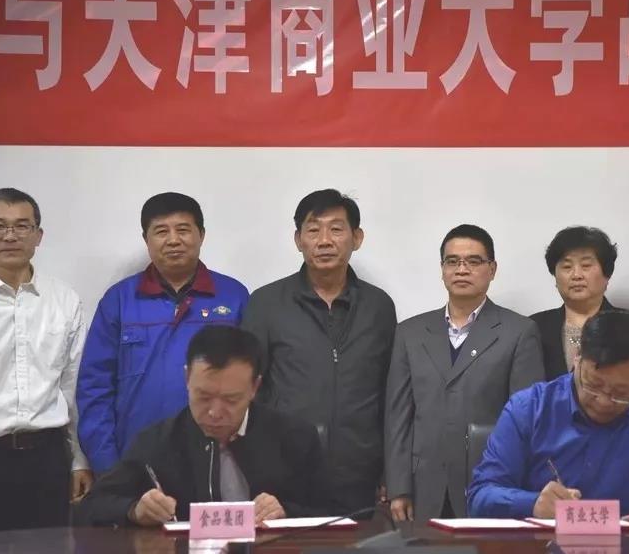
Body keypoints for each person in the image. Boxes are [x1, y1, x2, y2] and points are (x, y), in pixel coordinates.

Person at [467, 310, 629, 529]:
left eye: (621, 393)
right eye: (592, 385)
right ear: (578, 357)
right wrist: (532, 503)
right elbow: (480, 495)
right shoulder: (529, 408)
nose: (603, 401)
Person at [241, 189, 396, 515]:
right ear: (298, 240)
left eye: (336, 229)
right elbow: (249, 389)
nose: (324, 241)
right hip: (284, 472)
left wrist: (389, 469)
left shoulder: (379, 306)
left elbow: (389, 393)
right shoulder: (266, 303)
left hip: (360, 474)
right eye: (313, 230)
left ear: (357, 238)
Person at [76, 325, 324, 526]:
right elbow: (93, 505)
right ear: (187, 378)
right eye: (203, 396)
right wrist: (134, 510)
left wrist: (286, 511)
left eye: (231, 400)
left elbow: (332, 509)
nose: (214, 413)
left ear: (255, 388)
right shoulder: (157, 441)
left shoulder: (294, 436)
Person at [77, 192, 249, 474]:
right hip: (135, 460)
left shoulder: (234, 297)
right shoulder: (119, 300)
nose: (173, 240)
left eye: (183, 230)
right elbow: (95, 388)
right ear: (146, 239)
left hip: (218, 460)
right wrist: (108, 467)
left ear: (201, 235)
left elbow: (253, 385)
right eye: (161, 231)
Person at [385, 224, 545, 521]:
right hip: (424, 485)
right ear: (442, 269)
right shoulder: (410, 332)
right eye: (452, 261)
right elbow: (398, 417)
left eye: (473, 261)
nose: (461, 270)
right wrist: (398, 487)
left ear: (492, 269)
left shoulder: (519, 332)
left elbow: (527, 420)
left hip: (491, 483)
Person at [0, 188, 92, 534]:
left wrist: (79, 461)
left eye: (22, 226)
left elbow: (74, 385)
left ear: (38, 236)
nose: (10, 235)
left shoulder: (64, 300)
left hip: (47, 459)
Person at [531, 226, 618, 379]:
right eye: (567, 267)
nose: (576, 275)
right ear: (555, 277)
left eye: (586, 266)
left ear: (607, 275)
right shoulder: (533, 327)